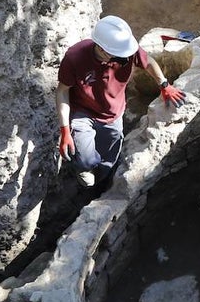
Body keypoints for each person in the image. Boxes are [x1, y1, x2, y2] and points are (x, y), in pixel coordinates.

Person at [56, 15, 186, 188]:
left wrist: (164, 84)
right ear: (102, 49)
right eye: (118, 56)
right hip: (83, 112)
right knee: (85, 159)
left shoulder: (126, 51)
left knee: (110, 157)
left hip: (113, 114)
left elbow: (148, 62)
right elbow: (62, 91)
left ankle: (103, 180)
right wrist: (65, 129)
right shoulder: (75, 57)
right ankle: (86, 168)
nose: (125, 59)